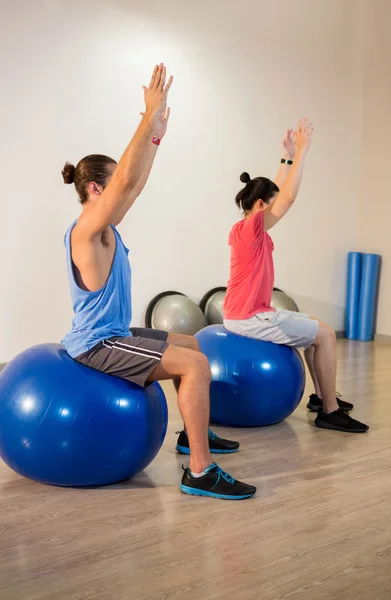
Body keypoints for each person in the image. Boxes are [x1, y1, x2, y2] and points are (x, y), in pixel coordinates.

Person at [61, 64, 256, 500]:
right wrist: (146, 117)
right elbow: (127, 180)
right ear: (94, 189)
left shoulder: (107, 224)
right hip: (96, 344)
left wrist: (156, 136)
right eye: (111, 189)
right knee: (195, 366)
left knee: (191, 345)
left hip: (113, 333)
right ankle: (201, 472)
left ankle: (192, 436)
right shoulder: (87, 229)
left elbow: (133, 184)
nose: (122, 195)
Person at [223, 119, 369, 433]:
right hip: (250, 317)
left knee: (314, 336)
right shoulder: (252, 230)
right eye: (271, 208)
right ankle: (329, 411)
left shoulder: (246, 228)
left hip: (243, 314)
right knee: (327, 335)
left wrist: (286, 158)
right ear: (260, 206)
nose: (278, 213)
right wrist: (303, 151)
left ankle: (321, 397)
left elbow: (276, 193)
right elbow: (285, 198)